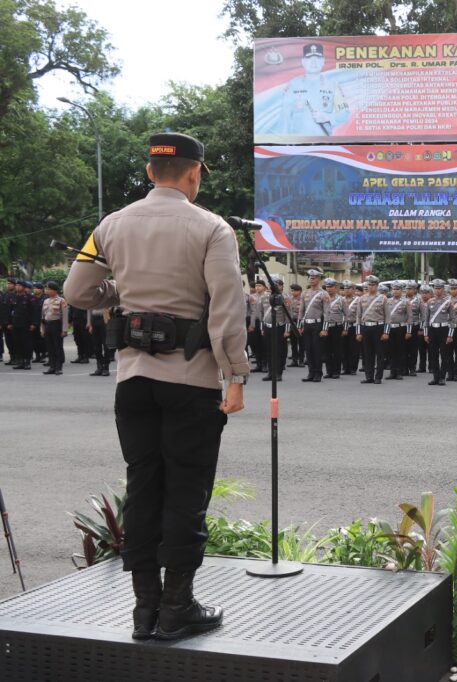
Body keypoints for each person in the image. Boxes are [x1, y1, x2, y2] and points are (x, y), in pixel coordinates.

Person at [64, 132, 248, 641]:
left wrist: (119, 290)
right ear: (194, 174)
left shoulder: (110, 225)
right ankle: (177, 607)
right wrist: (235, 376)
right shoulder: (213, 228)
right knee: (187, 491)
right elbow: (227, 310)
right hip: (190, 381)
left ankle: (143, 612)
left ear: (150, 172)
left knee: (143, 487)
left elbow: (78, 291)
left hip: (133, 381)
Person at [276, 43, 350, 136]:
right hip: (297, 144)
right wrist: (281, 143)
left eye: (317, 58)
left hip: (323, 143)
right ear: (303, 61)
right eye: (309, 58)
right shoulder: (293, 84)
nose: (313, 62)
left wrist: (328, 117)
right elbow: (285, 116)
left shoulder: (333, 85)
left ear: (323, 61)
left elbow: (345, 113)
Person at [355, 275, 387, 384]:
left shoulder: (383, 298)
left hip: (378, 327)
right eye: (368, 284)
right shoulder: (361, 298)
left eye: (372, 285)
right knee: (368, 354)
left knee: (380, 353)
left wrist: (386, 332)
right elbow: (358, 317)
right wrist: (358, 332)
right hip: (366, 328)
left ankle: (378, 377)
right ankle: (369, 376)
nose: (370, 287)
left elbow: (388, 317)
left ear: (377, 286)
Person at [300, 269, 327, 382]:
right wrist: (300, 326)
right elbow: (301, 311)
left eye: (314, 277)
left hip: (317, 324)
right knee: (308, 350)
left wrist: (325, 328)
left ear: (319, 279)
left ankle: (318, 373)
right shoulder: (305, 293)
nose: (311, 279)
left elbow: (326, 312)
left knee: (317, 350)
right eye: (310, 277)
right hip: (307, 324)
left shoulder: (323, 294)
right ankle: (310, 373)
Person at [40, 281, 68, 375]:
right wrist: (42, 329)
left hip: (56, 325)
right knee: (49, 347)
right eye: (46, 288)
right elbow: (43, 317)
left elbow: (65, 317)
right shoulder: (45, 301)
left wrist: (64, 330)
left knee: (57, 347)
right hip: (47, 325)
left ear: (54, 290)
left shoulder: (61, 300)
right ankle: (52, 366)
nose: (46, 290)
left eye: (48, 289)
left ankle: (58, 367)